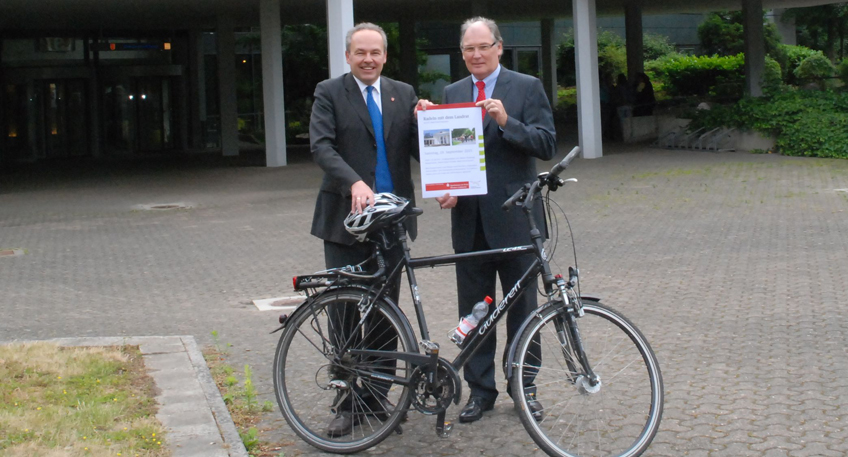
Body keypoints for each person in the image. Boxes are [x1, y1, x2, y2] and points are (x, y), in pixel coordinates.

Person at [428, 16, 556, 423]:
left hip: (517, 219)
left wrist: (506, 122)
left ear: (499, 47)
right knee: (474, 311)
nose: (476, 55)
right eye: (469, 48)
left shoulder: (526, 87)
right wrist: (445, 187)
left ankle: (525, 387)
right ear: (462, 52)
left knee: (524, 310)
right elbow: (449, 153)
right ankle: (480, 392)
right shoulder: (451, 93)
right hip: (470, 222)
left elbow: (546, 143)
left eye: (483, 46)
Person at [309, 22, 419, 437]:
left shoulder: (403, 94)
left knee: (384, 314)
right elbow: (322, 146)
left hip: (390, 223)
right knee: (343, 313)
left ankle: (376, 398)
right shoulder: (329, 92)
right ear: (348, 56)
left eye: (375, 53)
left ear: (385, 56)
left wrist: (431, 126)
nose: (368, 59)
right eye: (361, 53)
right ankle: (346, 403)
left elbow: (417, 147)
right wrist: (353, 181)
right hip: (345, 222)